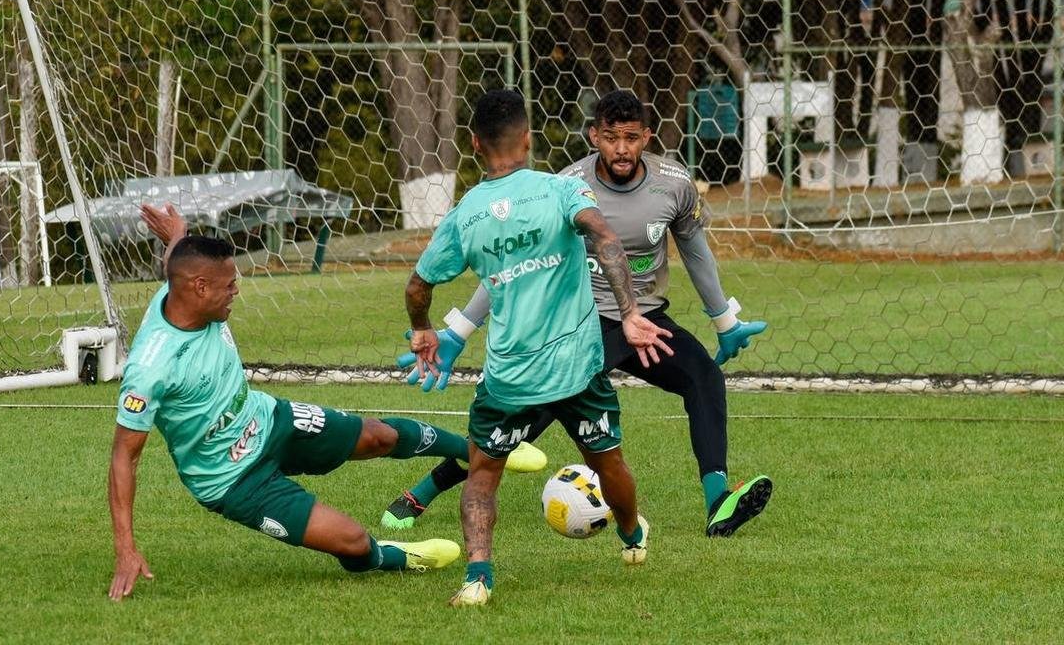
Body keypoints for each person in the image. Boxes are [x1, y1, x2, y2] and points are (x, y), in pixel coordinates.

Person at [388, 90, 772, 539]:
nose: (622, 148)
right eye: (611, 137)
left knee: (703, 377)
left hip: (645, 320)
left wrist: (724, 322)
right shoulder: (565, 186)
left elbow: (695, 252)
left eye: (632, 137)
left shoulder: (675, 184)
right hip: (582, 323)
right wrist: (458, 329)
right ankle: (424, 490)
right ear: (594, 136)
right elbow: (517, 266)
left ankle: (718, 501)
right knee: (531, 417)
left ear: (648, 136)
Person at [107, 203, 465, 601]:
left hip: (268, 418)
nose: (236, 291)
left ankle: (474, 452)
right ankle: (393, 556)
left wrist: (177, 231)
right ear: (200, 288)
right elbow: (125, 457)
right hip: (232, 479)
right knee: (353, 540)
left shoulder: (183, 288)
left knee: (378, 436)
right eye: (228, 285)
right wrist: (125, 549)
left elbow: (180, 261)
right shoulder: (150, 368)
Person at [404, 88, 672, 607]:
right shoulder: (560, 190)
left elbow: (418, 287)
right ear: (527, 139)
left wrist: (423, 329)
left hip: (510, 377)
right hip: (577, 369)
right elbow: (606, 240)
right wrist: (632, 312)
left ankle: (478, 578)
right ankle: (632, 537)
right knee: (609, 462)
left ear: (476, 143)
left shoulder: (465, 215)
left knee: (483, 474)